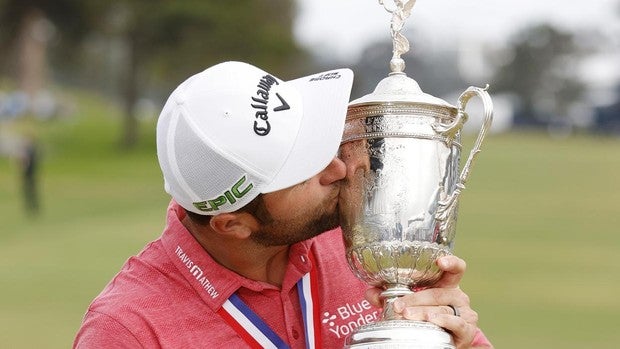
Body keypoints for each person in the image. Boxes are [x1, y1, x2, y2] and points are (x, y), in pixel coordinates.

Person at [73, 61, 493, 348]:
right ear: (233, 223)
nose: (337, 169)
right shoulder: (128, 330)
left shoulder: (364, 240)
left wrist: (456, 338)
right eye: (303, 171)